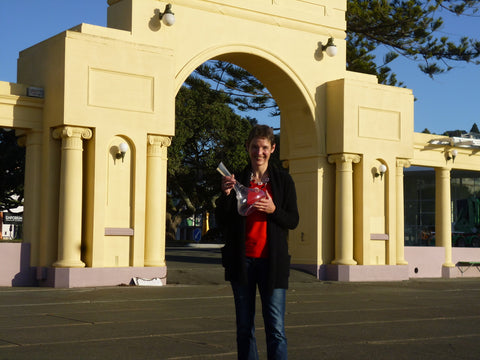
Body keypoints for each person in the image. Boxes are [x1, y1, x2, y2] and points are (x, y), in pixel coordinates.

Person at [216, 125, 299, 360]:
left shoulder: (283, 181)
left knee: (276, 329)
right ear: (248, 148)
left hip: (273, 264)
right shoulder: (235, 180)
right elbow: (222, 220)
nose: (259, 152)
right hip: (242, 262)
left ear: (272, 149)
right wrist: (225, 196)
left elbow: (293, 220)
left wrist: (274, 210)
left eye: (264, 147)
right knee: (244, 329)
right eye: (254, 147)